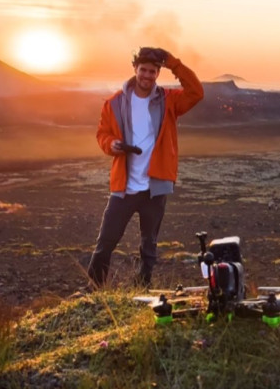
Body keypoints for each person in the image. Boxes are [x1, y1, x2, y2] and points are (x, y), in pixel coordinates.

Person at [87, 47, 204, 289]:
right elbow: (102, 134)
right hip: (125, 186)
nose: (147, 76)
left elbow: (196, 92)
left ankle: (143, 284)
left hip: (155, 185)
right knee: (106, 240)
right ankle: (96, 288)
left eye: (153, 71)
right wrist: (112, 144)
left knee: (149, 242)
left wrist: (174, 63)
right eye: (143, 70)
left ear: (158, 73)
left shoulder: (168, 100)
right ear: (135, 70)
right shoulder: (114, 103)